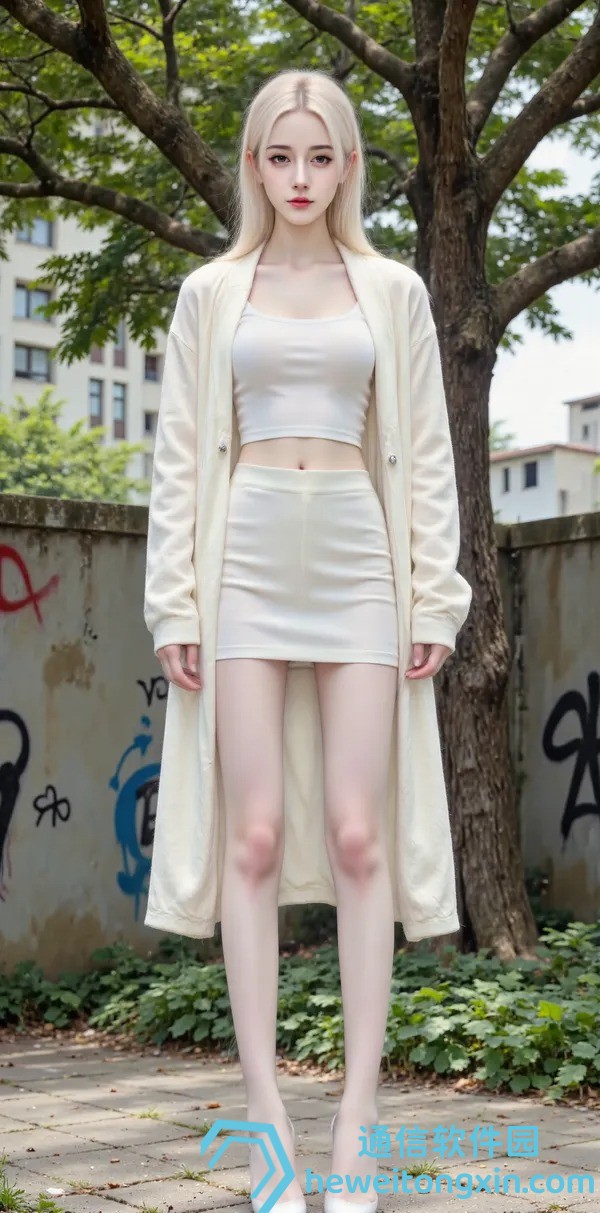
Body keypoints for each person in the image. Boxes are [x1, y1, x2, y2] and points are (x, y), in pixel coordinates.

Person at [145, 68, 472, 1213]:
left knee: (356, 834)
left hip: (355, 557)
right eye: (279, 157)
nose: (299, 177)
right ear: (252, 164)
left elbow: (426, 451)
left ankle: (358, 1122)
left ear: (347, 166)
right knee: (251, 837)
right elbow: (178, 454)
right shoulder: (209, 292)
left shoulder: (392, 290)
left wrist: (434, 598)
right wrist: (175, 604)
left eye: (319, 157)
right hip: (241, 563)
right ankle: (268, 1123)